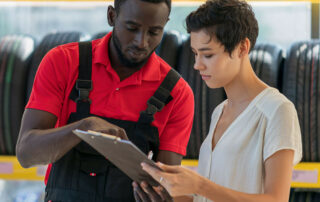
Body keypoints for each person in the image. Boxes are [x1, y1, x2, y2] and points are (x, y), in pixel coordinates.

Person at [15, 0, 194, 201]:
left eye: (154, 32)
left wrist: (162, 194)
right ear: (111, 16)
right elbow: (26, 153)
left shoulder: (176, 93)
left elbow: (168, 187)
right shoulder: (63, 62)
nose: (141, 42)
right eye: (132, 28)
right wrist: (83, 128)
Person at [138, 0, 302, 201]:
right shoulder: (219, 111)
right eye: (195, 54)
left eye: (207, 54)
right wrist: (166, 195)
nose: (197, 65)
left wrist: (199, 185)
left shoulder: (277, 110)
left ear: (242, 48)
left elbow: (277, 199)